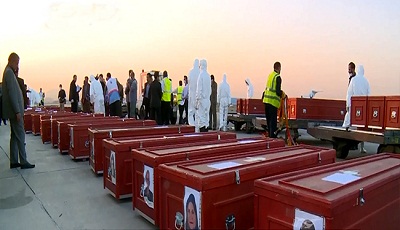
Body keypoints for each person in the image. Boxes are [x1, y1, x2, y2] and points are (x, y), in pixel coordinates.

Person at [2, 53, 35, 169]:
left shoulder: (8, 72)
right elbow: (12, 94)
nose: (17, 66)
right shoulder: (9, 73)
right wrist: (17, 111)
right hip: (15, 112)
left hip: (13, 111)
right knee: (20, 135)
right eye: (17, 63)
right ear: (13, 61)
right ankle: (23, 161)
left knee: (14, 136)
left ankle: (14, 160)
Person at [343, 64, 371, 130]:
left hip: (355, 101)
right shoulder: (366, 81)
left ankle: (345, 126)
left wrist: (348, 104)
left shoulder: (354, 79)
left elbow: (349, 92)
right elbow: (369, 93)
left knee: (349, 114)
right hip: (364, 102)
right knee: (361, 115)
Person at [263, 62, 282, 138]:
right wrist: (282, 94)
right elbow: (277, 92)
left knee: (268, 121)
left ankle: (270, 136)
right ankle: (272, 137)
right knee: (273, 122)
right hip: (273, 102)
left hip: (266, 101)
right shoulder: (277, 77)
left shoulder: (270, 75)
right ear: (279, 68)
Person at [195, 59, 212, 132]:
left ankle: (202, 132)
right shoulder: (208, 76)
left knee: (201, 118)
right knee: (206, 118)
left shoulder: (201, 75)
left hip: (202, 99)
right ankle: (206, 131)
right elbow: (210, 89)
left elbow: (199, 89)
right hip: (207, 100)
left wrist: (197, 100)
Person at [188, 59, 200, 126]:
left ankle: (191, 124)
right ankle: (196, 125)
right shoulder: (199, 73)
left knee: (190, 111)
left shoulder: (191, 72)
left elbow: (189, 82)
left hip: (192, 93)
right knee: (197, 111)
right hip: (197, 94)